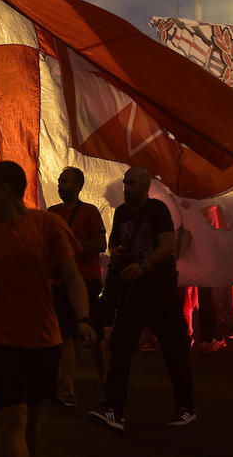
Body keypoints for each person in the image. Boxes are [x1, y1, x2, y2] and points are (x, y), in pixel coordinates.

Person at [0, 161, 95, 457]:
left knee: (31, 419)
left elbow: (73, 276)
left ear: (6, 190)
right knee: (14, 417)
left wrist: (83, 318)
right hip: (0, 338)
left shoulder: (47, 224)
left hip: (42, 337)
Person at [88, 167, 196, 431]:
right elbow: (114, 243)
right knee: (120, 348)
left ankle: (186, 407)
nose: (126, 187)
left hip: (159, 292)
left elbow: (167, 245)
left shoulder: (157, 210)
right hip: (132, 293)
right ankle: (114, 410)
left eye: (131, 183)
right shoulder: (121, 212)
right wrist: (118, 253)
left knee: (174, 350)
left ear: (145, 186)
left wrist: (143, 266)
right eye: (125, 182)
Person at [47, 166, 107, 406]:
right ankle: (68, 387)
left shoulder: (90, 212)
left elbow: (101, 244)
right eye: (59, 181)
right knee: (66, 335)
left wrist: (72, 245)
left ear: (78, 186)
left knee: (96, 336)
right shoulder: (52, 213)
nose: (60, 185)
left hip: (87, 280)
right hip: (59, 282)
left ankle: (105, 385)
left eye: (65, 181)